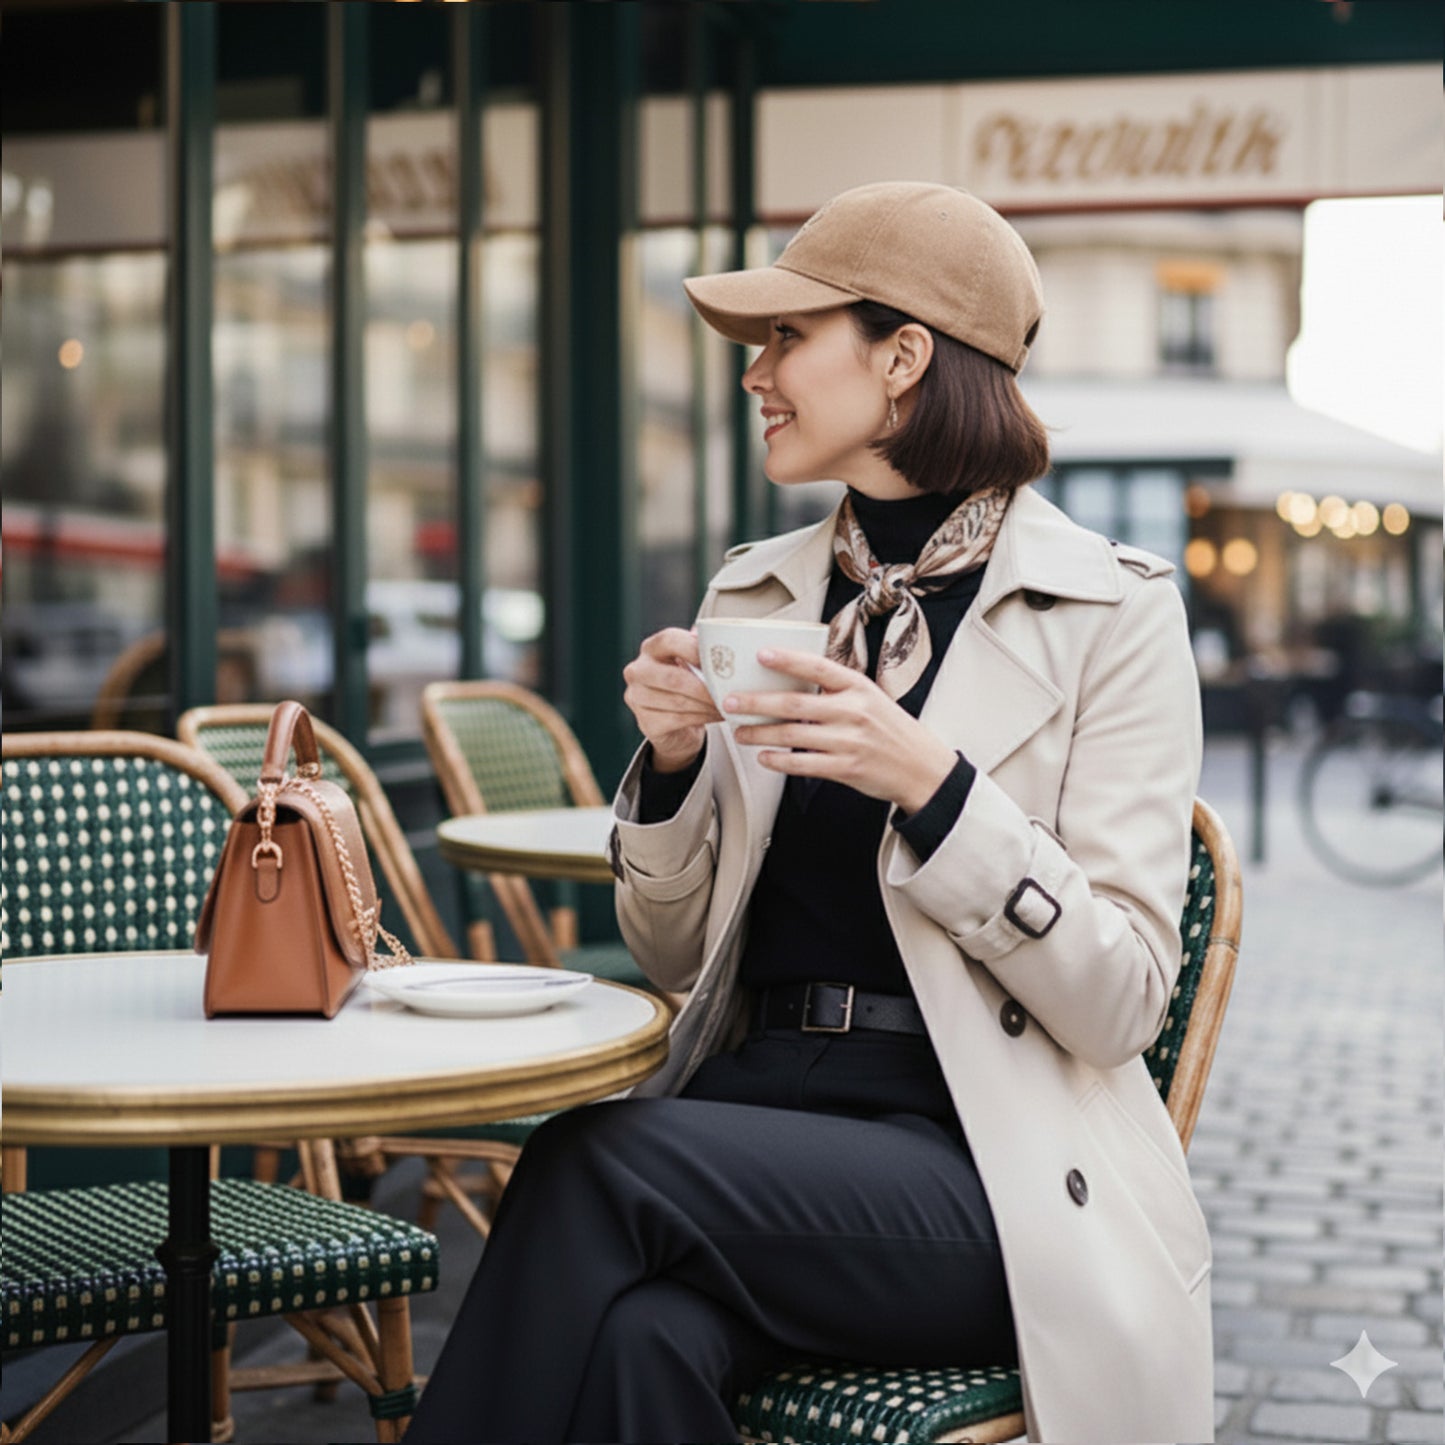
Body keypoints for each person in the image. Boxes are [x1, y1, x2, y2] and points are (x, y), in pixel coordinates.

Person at [404, 182, 1213, 1445]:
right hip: (755, 1109)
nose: (755, 373)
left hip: (980, 1167)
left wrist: (934, 788)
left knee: (585, 1159)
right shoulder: (758, 590)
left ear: (901, 358)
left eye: (788, 337)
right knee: (639, 1339)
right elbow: (674, 954)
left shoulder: (1110, 614)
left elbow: (1121, 1000)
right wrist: (668, 766)